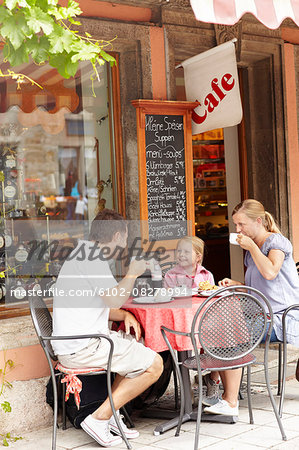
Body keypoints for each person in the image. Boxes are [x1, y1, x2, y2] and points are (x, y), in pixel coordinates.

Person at [52, 209, 163, 447]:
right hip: (82, 346)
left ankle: (111, 414)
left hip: (76, 343)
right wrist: (132, 274)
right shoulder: (92, 259)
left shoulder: (84, 254)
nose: (124, 243)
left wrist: (123, 314)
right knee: (155, 365)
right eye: (125, 237)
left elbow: (103, 302)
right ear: (117, 235)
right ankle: (99, 418)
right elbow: (114, 299)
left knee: (133, 348)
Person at [204, 199, 299, 417]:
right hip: (262, 314)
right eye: (235, 225)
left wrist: (253, 247)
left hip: (281, 318)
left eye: (241, 224)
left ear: (258, 221)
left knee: (231, 331)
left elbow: (270, 272)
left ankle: (228, 399)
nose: (238, 230)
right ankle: (214, 382)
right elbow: (258, 289)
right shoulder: (250, 249)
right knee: (215, 326)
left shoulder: (276, 241)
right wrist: (237, 285)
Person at [163, 236, 221, 406]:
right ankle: (186, 388)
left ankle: (212, 379)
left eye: (186, 252)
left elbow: (211, 299)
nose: (181, 254)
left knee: (217, 342)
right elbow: (168, 298)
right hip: (180, 323)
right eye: (179, 251)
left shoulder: (206, 275)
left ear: (198, 256)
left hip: (204, 322)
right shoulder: (171, 275)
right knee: (182, 353)